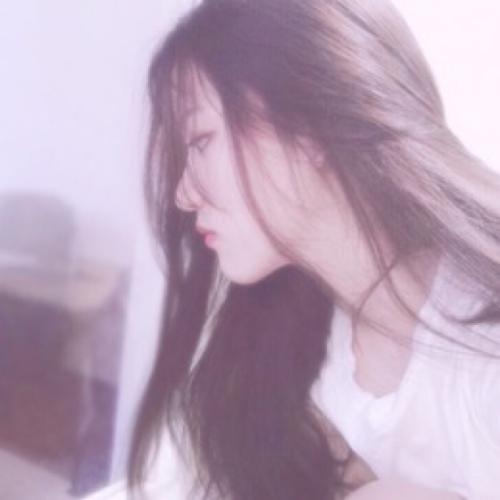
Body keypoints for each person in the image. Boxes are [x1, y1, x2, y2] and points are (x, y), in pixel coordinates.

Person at [127, 0, 500, 499]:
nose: (183, 194)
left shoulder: (481, 353)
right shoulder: (304, 360)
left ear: (309, 128)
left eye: (200, 141)